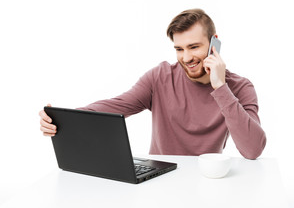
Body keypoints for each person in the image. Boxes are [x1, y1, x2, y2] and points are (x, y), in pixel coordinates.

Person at [39, 9, 266, 160]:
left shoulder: (240, 87)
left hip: (206, 181)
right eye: (179, 49)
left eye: (194, 47)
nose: (186, 58)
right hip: (161, 180)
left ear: (214, 42)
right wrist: (63, 119)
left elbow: (253, 150)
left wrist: (220, 87)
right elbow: (116, 105)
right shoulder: (160, 77)